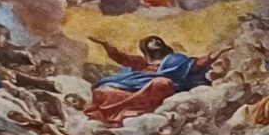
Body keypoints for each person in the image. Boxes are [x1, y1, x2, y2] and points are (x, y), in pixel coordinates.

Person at [84, 36, 220, 124]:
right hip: (133, 86)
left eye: (157, 40)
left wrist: (216, 54)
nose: (155, 41)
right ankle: (125, 111)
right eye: (151, 41)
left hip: (157, 88)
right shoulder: (141, 62)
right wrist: (106, 44)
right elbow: (121, 58)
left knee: (162, 83)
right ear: (145, 47)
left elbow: (196, 65)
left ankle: (139, 109)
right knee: (102, 91)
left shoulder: (175, 59)